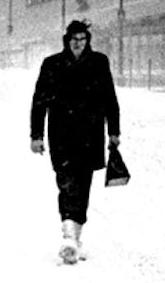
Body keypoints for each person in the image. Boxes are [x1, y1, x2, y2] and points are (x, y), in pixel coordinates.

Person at [30, 19, 120, 265]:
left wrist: (114, 131)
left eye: (82, 39)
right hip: (61, 135)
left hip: (90, 134)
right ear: (67, 41)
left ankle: (74, 236)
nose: (78, 44)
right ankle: (69, 235)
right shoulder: (52, 65)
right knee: (66, 183)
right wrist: (36, 136)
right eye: (74, 40)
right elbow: (39, 102)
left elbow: (110, 98)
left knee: (83, 185)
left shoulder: (99, 63)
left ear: (87, 40)